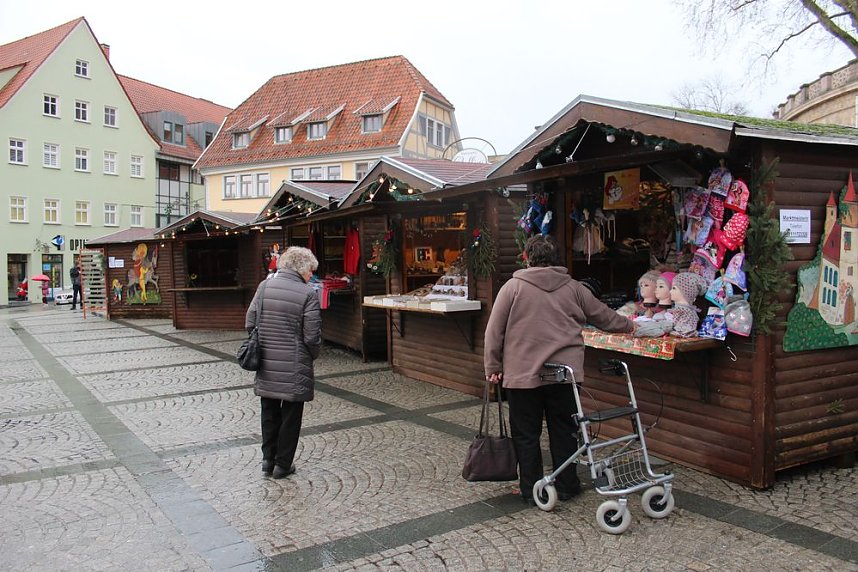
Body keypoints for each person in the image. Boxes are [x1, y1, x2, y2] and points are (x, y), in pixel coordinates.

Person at [484, 235, 635, 506]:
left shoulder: (512, 288)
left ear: (527, 257)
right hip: (564, 376)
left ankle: (532, 490)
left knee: (526, 434)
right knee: (564, 431)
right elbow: (603, 316)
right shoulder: (574, 288)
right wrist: (629, 325)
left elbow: (494, 331)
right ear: (556, 258)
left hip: (522, 375)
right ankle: (567, 484)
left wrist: (493, 366)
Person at [245, 246, 321, 479]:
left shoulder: (265, 286)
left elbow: (250, 320)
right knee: (290, 415)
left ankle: (268, 461)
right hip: (295, 364)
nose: (311, 275)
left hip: (267, 361)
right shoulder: (308, 293)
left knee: (269, 411)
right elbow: (311, 336)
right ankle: (283, 464)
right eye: (311, 271)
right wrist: (312, 354)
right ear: (302, 268)